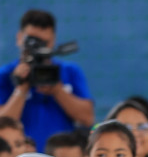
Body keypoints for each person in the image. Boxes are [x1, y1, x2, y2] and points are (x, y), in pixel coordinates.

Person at [0, 10, 94, 148]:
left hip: (61, 156)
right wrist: (21, 89)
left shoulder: (69, 72)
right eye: (32, 41)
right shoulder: (5, 76)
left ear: (53, 40)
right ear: (19, 38)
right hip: (20, 156)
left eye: (44, 43)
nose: (38, 48)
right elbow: (2, 126)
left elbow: (88, 118)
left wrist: (58, 90)